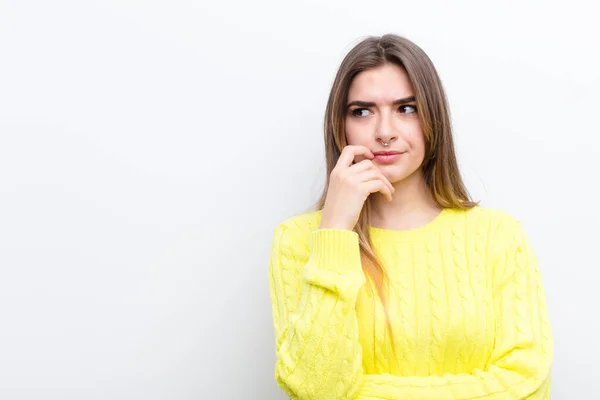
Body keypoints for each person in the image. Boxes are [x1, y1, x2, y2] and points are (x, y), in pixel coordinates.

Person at [267, 33, 553, 399]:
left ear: (433, 118)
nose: (385, 132)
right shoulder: (298, 240)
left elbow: (528, 385)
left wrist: (357, 393)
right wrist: (335, 233)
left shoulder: (497, 235)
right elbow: (313, 388)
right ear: (340, 126)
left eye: (406, 108)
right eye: (362, 111)